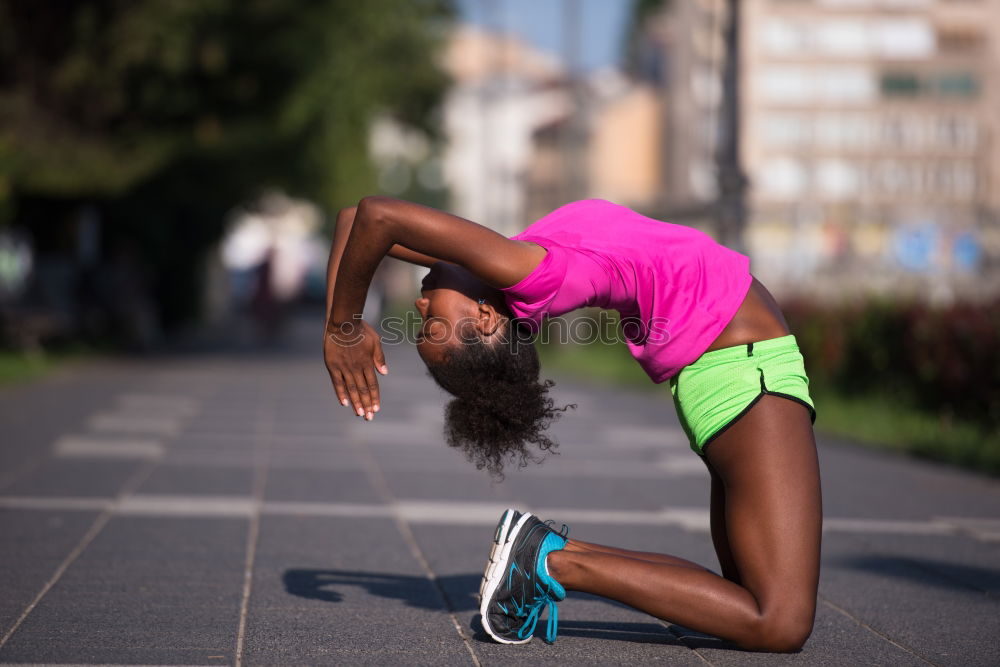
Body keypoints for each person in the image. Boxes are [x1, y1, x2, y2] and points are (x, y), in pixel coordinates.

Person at [323, 196, 821, 653]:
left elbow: (360, 222)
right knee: (778, 621)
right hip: (743, 368)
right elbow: (375, 219)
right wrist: (342, 330)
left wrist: (341, 328)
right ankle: (552, 561)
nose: (419, 307)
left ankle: (548, 553)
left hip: (728, 369)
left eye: (424, 324)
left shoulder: (517, 260)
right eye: (430, 326)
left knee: (740, 599)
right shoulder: (528, 269)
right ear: (486, 319)